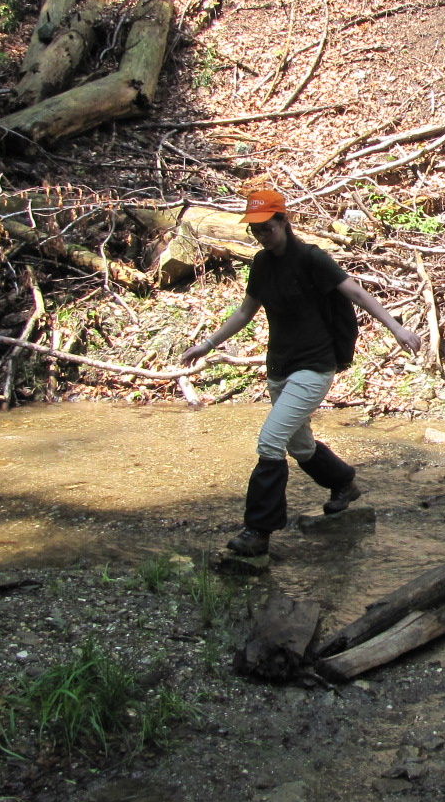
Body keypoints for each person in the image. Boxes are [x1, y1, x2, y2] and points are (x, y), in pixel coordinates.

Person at [181, 188, 422, 558]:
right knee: (299, 445)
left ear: (283, 221)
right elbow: (245, 313)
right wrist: (207, 345)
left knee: (270, 442)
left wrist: (396, 328)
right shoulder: (261, 265)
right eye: (255, 230)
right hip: (279, 367)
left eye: (267, 227)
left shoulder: (311, 257)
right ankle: (344, 483)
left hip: (315, 367)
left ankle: (257, 532)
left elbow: (356, 294)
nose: (262, 235)